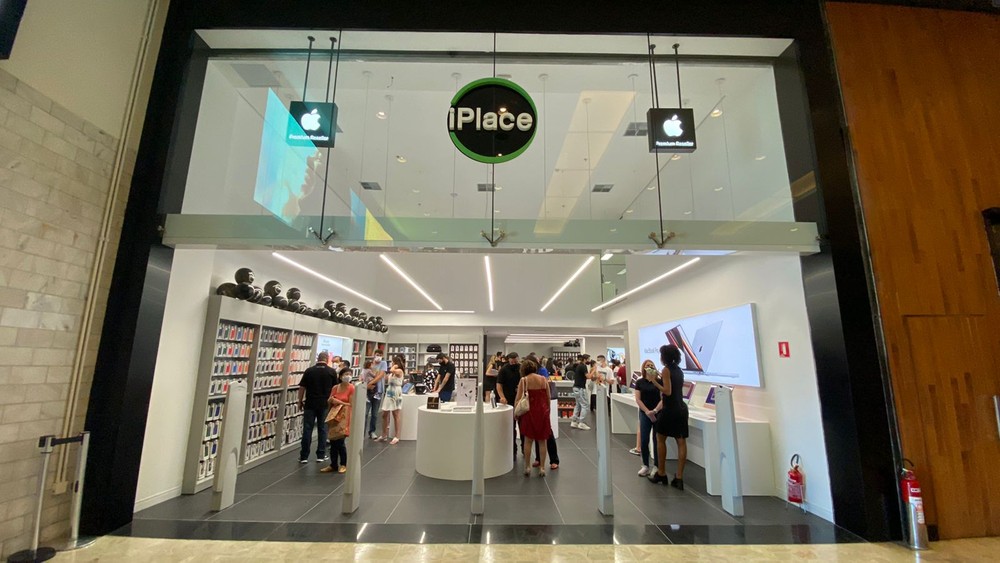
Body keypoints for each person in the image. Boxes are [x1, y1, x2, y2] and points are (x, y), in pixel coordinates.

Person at [648, 344, 689, 489]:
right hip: (681, 409)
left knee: (660, 438)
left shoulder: (666, 370)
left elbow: (667, 391)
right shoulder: (679, 370)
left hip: (669, 409)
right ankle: (679, 477)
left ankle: (661, 473)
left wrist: (654, 381)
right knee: (681, 441)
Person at [297, 352, 336, 463]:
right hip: (325, 404)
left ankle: (304, 456)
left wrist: (300, 401)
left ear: (318, 358)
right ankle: (321, 454)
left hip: (310, 403)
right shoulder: (331, 371)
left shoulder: (309, 371)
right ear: (327, 359)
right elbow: (335, 388)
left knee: (307, 429)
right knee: (323, 429)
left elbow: (302, 387)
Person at [515, 360, 552, 476]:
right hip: (542, 412)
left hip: (529, 412)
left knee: (528, 440)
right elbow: (548, 397)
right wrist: (548, 411)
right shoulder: (543, 379)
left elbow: (518, 398)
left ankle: (527, 467)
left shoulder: (524, 380)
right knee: (542, 441)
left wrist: (516, 412)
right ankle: (542, 468)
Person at [321, 367, 354, 473]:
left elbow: (351, 404)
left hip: (344, 416)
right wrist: (331, 401)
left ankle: (343, 464)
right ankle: (333, 464)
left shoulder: (352, 388)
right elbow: (329, 401)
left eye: (349, 374)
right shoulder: (335, 387)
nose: (348, 376)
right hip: (334, 415)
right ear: (340, 376)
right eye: (346, 374)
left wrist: (339, 402)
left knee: (340, 441)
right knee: (333, 441)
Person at [633, 359, 663, 476]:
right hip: (644, 413)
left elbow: (663, 398)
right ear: (644, 368)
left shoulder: (659, 381)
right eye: (648, 365)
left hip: (657, 413)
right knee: (644, 439)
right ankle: (645, 465)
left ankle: (657, 465)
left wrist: (655, 410)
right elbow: (638, 399)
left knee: (657, 440)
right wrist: (647, 411)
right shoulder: (640, 382)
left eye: (652, 365)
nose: (650, 367)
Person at [496, 352, 523, 460]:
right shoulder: (504, 369)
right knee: (511, 427)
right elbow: (499, 385)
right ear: (509, 360)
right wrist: (502, 397)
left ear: (518, 359)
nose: (513, 363)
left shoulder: (522, 368)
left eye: (515, 361)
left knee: (523, 426)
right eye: (512, 362)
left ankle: (524, 447)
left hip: (521, 401)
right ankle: (513, 449)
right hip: (508, 401)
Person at [376, 355, 406, 444]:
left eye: (392, 362)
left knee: (395, 414)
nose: (391, 363)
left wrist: (394, 366)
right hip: (389, 391)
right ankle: (384, 434)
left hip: (396, 392)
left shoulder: (399, 371)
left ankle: (397, 436)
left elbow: (392, 370)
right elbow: (387, 377)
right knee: (384, 414)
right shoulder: (392, 372)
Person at [362, 357, 384, 439]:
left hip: (376, 392)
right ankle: (364, 432)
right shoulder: (368, 371)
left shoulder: (365, 370)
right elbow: (376, 377)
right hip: (369, 392)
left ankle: (371, 432)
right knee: (366, 413)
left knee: (374, 414)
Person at [570, 355, 593, 430]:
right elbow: (588, 377)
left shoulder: (579, 366)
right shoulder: (583, 366)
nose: (589, 361)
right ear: (585, 359)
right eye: (588, 359)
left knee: (578, 405)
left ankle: (574, 421)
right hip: (580, 388)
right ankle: (581, 423)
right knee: (585, 405)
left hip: (576, 387)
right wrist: (594, 370)